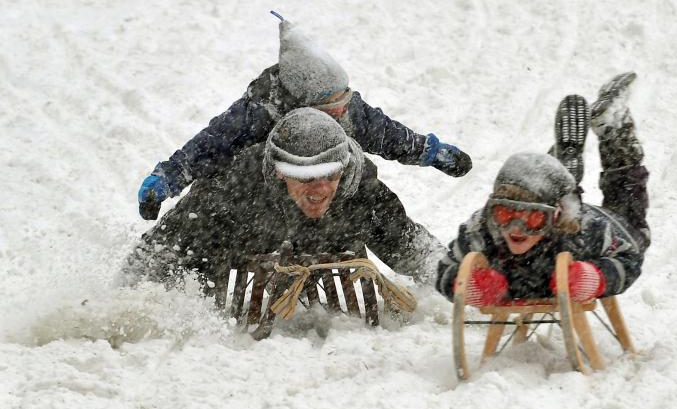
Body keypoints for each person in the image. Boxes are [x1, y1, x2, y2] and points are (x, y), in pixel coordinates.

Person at [137, 13, 472, 220]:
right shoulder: (257, 114)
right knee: (203, 209)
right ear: (302, 106)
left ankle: (432, 266)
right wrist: (165, 181)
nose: (342, 110)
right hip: (256, 206)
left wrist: (430, 151)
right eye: (332, 107)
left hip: (321, 204)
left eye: (346, 100)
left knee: (371, 194)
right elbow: (205, 151)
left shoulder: (345, 110)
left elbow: (386, 134)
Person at [124, 107, 446, 289]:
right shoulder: (233, 189)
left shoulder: (359, 190)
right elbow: (160, 253)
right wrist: (137, 299)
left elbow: (409, 244)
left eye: (330, 175)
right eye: (306, 178)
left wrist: (459, 280)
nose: (320, 189)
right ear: (280, 172)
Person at [436, 72, 649, 304]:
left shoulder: (582, 234)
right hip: (555, 222)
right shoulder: (481, 231)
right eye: (505, 214)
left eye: (533, 219)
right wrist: (471, 285)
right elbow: (445, 269)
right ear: (492, 209)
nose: (517, 228)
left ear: (553, 217)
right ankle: (558, 170)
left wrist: (594, 276)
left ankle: (614, 130)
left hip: (601, 222)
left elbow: (629, 257)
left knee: (637, 230)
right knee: (547, 191)